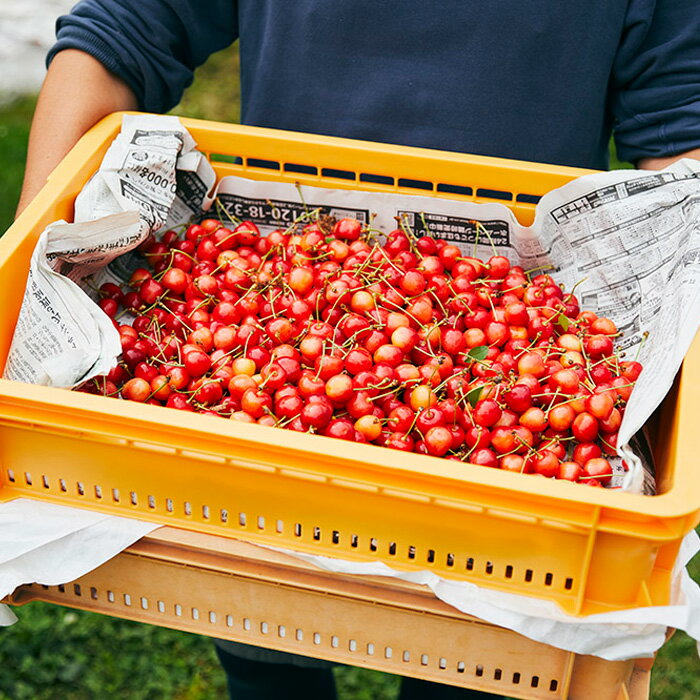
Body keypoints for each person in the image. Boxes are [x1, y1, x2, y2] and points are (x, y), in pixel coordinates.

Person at [16, 2, 700, 699]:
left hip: (501, 439)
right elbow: (126, 32)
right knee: (263, 616)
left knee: (474, 652)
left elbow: (680, 119)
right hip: (266, 427)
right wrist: (32, 260)